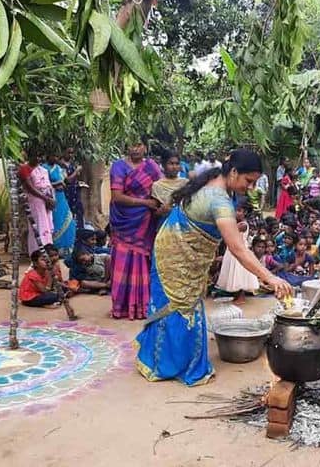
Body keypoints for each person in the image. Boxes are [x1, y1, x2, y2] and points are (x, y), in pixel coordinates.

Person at [135, 149, 293, 386]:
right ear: (234, 172)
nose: (250, 188)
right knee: (180, 305)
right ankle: (168, 365)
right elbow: (238, 249)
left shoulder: (214, 182)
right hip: (175, 255)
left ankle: (166, 359)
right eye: (248, 181)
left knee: (186, 303)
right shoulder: (219, 199)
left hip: (172, 245)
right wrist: (271, 278)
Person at [108, 141, 162, 320]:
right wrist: (145, 203)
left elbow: (161, 190)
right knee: (123, 260)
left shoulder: (152, 167)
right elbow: (117, 196)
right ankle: (121, 306)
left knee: (142, 261)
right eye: (133, 145)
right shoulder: (118, 167)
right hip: (123, 221)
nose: (136, 148)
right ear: (127, 147)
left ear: (145, 147)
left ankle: (140, 306)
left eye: (139, 145)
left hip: (145, 222)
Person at [216, 201, 260, 301]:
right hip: (233, 249)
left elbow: (230, 231)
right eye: (235, 210)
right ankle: (237, 296)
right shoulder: (237, 223)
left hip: (239, 250)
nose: (236, 212)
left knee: (239, 274)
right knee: (233, 273)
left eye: (239, 211)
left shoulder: (243, 225)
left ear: (244, 212)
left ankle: (241, 297)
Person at [18, 150, 55, 256]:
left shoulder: (42, 170)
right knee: (38, 227)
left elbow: (48, 185)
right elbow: (30, 188)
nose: (38, 159)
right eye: (36, 156)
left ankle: (48, 251)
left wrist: (50, 199)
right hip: (35, 202)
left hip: (45, 201)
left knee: (46, 227)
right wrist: (46, 198)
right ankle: (37, 254)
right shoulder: (25, 169)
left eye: (40, 157)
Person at [42, 153, 77, 257]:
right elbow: (43, 185)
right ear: (48, 156)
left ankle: (68, 248)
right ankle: (56, 248)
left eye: (57, 156)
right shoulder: (44, 168)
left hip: (62, 197)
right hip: (52, 197)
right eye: (54, 156)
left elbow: (66, 181)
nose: (56, 158)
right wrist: (56, 185)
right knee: (56, 221)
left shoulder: (58, 168)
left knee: (68, 221)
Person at [151, 149, 188, 217]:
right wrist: (162, 211)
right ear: (163, 165)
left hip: (184, 222)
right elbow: (154, 213)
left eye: (177, 164)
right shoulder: (157, 185)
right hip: (165, 223)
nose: (174, 167)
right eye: (171, 163)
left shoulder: (185, 183)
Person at [60, 147, 85, 229]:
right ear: (63, 153)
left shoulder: (72, 164)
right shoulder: (61, 165)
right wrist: (76, 171)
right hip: (66, 195)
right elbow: (67, 180)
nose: (70, 155)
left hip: (74, 194)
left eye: (72, 153)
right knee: (67, 215)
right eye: (68, 153)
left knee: (78, 214)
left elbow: (74, 178)